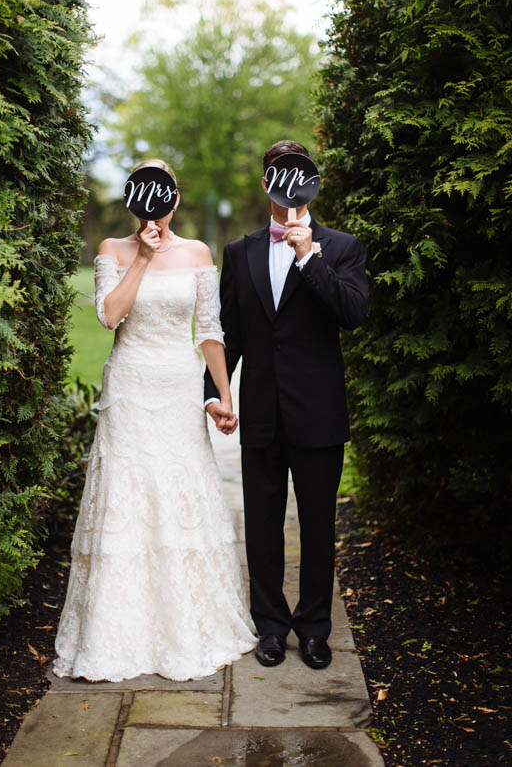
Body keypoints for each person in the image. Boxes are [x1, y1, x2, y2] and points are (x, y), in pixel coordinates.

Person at [53, 159, 256, 683]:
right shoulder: (112, 252)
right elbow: (108, 315)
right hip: (130, 386)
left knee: (181, 494)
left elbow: (209, 331)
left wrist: (224, 397)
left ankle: (191, 624)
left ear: (174, 198)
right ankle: (120, 630)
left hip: (177, 387)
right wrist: (140, 258)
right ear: (132, 197)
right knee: (128, 497)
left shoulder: (196, 253)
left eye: (163, 188)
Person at [205, 140, 368, 671]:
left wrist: (307, 256)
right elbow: (229, 333)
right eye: (277, 173)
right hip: (261, 413)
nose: (287, 184)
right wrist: (215, 392)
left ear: (310, 182)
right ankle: (271, 627)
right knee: (262, 525)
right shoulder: (240, 252)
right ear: (266, 183)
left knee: (319, 527)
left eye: (295, 174)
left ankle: (315, 629)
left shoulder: (341, 247)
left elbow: (351, 312)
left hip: (318, 412)